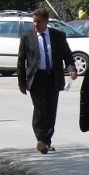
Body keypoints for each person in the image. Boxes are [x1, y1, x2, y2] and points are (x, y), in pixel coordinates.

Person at [17, 8, 78, 154]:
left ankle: (46, 142)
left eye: (38, 22)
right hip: (36, 78)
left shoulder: (58, 36)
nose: (35, 25)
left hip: (53, 78)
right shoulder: (27, 36)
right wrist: (21, 82)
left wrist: (71, 68)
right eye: (34, 22)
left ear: (46, 21)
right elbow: (21, 60)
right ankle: (40, 139)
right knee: (40, 110)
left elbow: (67, 55)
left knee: (51, 110)